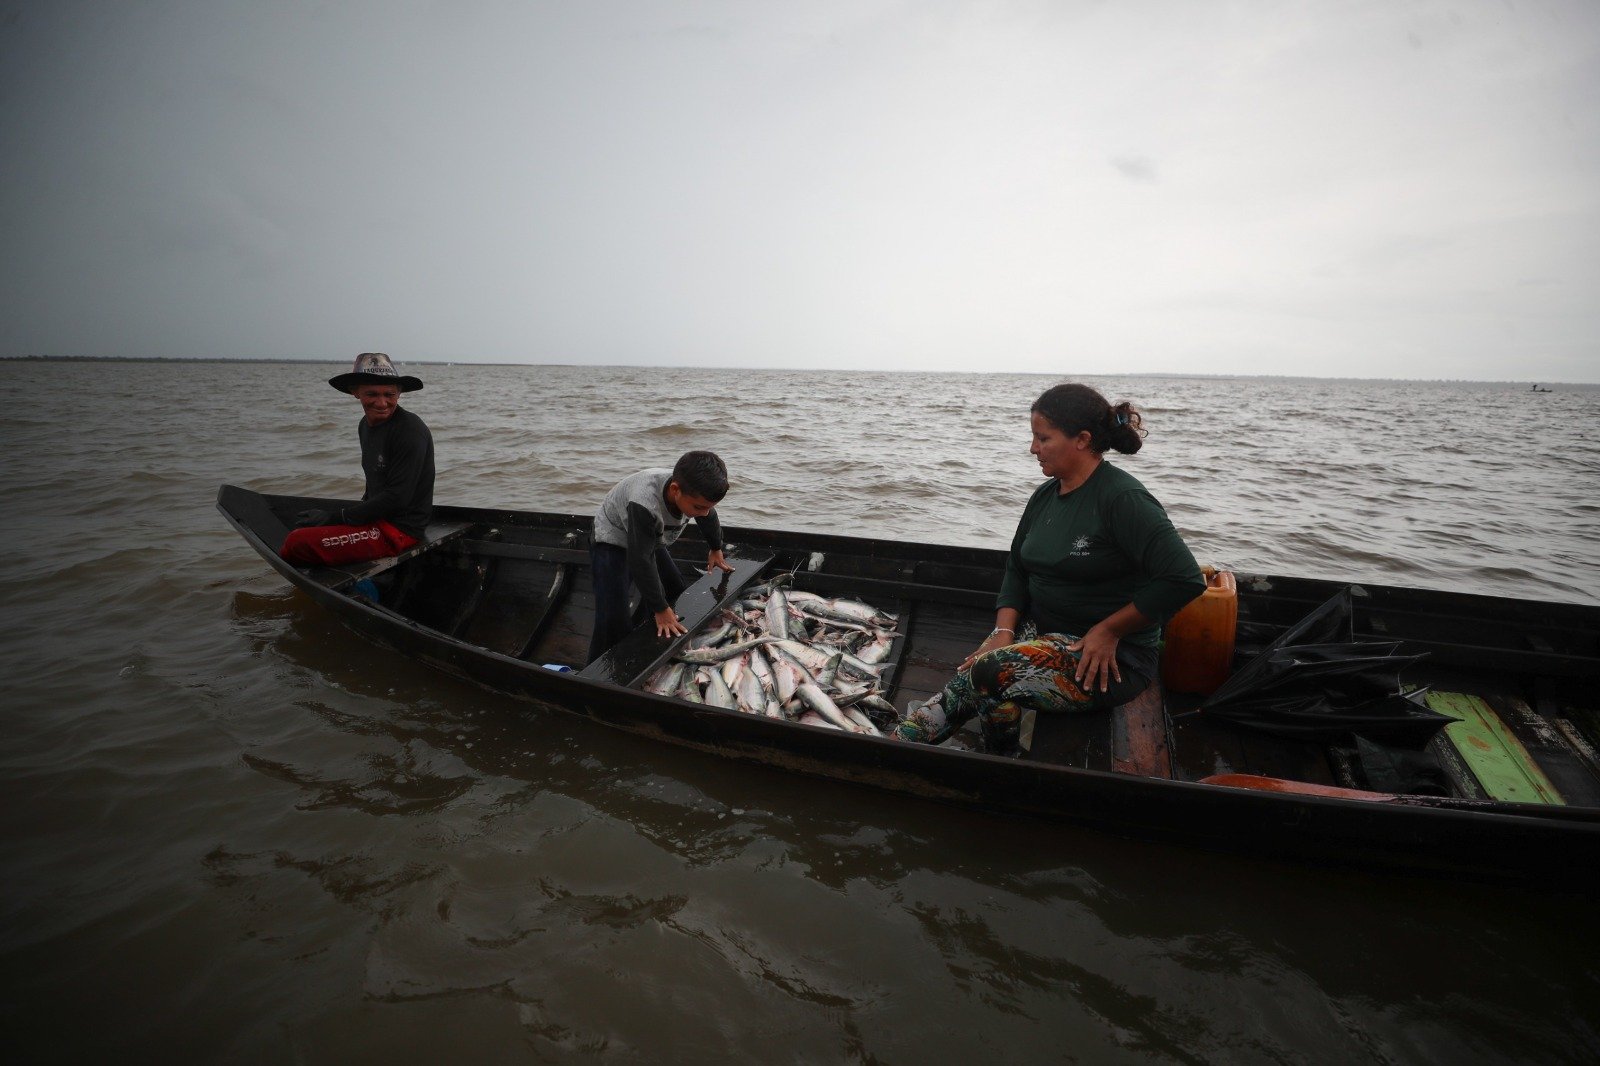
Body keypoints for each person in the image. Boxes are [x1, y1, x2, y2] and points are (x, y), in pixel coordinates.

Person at [895, 383, 1204, 755]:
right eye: (1033, 438)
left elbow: (1183, 578)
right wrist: (1003, 630)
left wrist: (1108, 630)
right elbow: (1017, 568)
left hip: (1108, 657)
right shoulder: (1045, 495)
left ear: (1082, 439)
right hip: (1042, 628)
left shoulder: (1123, 499)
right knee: (971, 674)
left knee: (990, 675)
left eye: (1043, 438)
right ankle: (902, 743)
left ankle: (998, 761)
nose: (1033, 449)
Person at [279, 352, 435, 567]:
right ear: (355, 393)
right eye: (372, 394)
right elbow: (375, 483)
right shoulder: (365, 425)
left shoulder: (410, 430)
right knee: (295, 522)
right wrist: (351, 516)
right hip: (377, 518)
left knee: (296, 543)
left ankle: (365, 585)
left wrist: (337, 517)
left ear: (399, 394)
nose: (382, 403)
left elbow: (398, 497)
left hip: (399, 530)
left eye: (389, 394)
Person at [587, 450, 734, 665]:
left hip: (649, 536)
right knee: (613, 616)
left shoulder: (694, 491)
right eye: (699, 508)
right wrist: (660, 608)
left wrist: (715, 547)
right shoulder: (644, 503)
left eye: (709, 507)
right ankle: (598, 672)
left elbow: (708, 515)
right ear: (675, 490)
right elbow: (640, 560)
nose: (704, 513)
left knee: (675, 589)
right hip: (613, 538)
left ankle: (654, 638)